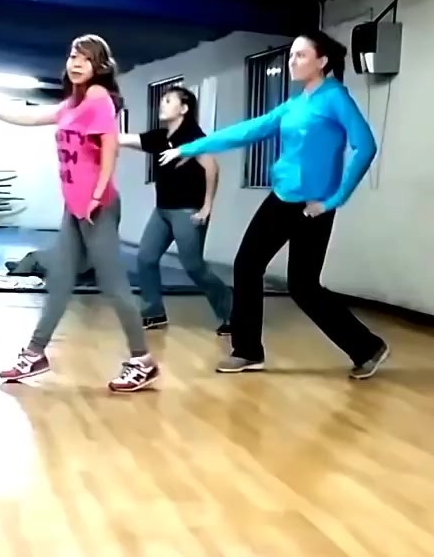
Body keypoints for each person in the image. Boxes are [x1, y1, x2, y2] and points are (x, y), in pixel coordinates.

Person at [160, 31, 389, 379]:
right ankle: (248, 351)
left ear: (322, 61)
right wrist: (189, 148)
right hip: (281, 197)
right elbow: (249, 130)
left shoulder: (335, 97)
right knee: (248, 265)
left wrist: (333, 200)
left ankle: (367, 348)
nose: (292, 61)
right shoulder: (295, 104)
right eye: (291, 55)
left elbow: (365, 146)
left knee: (303, 287)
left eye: (300, 55)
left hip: (313, 206)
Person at [0, 35, 159, 393]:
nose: (76, 63)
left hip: (97, 207)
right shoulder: (72, 103)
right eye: (72, 56)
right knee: (60, 280)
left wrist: (96, 196)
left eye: (86, 58)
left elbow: (110, 148)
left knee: (113, 285)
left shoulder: (98, 98)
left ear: (100, 67)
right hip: (75, 206)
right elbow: (31, 116)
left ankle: (141, 359)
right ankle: (35, 353)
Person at [117, 86, 231, 333]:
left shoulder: (193, 137)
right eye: (163, 100)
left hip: (187, 211)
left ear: (184, 108)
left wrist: (207, 206)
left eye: (169, 100)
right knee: (145, 258)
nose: (162, 104)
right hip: (163, 211)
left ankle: (233, 314)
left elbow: (212, 168)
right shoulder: (160, 137)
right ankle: (153, 313)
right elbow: (124, 139)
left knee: (193, 267)